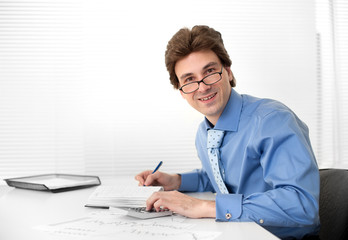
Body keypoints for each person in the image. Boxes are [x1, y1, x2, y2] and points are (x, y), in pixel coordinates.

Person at [135, 25, 320, 239]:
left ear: (228, 72)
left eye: (210, 72)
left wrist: (203, 207)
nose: (202, 87)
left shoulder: (272, 121)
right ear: (181, 91)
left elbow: (302, 205)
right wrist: (175, 181)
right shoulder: (204, 133)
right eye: (189, 80)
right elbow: (220, 178)